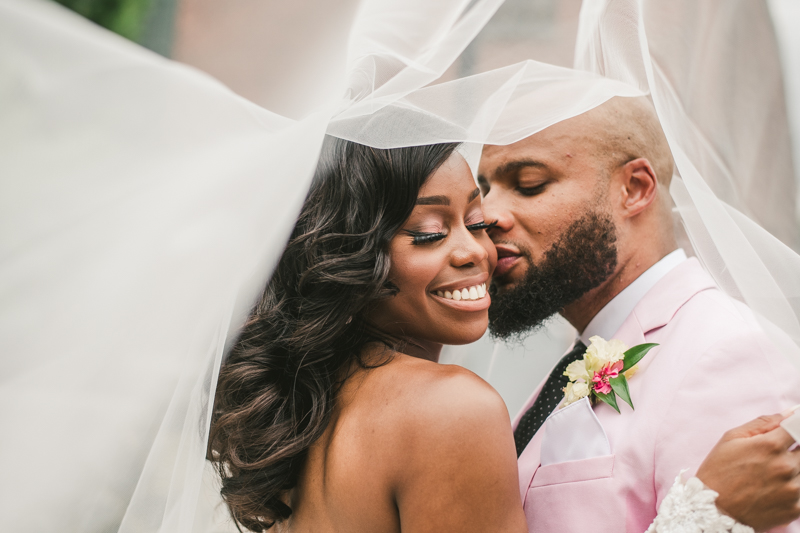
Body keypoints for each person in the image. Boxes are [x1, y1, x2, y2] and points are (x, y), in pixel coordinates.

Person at [208, 136, 800, 533]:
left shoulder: (316, 404)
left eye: (471, 221)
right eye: (428, 232)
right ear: (352, 258)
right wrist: (702, 516)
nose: (480, 247)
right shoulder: (445, 408)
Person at [478, 95, 800, 532]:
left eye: (530, 183)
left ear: (635, 189)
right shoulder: (575, 362)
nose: (486, 215)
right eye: (484, 189)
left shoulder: (722, 353)